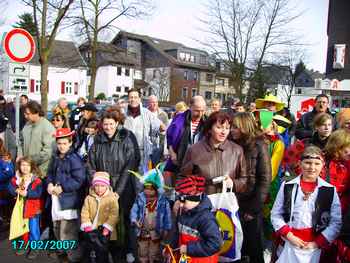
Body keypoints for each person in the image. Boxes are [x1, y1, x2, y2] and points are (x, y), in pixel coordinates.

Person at [271, 146, 341, 263]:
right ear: (300, 163)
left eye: (317, 163)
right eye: (308, 163)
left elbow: (336, 222)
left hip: (315, 247)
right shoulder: (288, 186)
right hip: (289, 243)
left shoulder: (329, 190)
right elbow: (275, 214)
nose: (312, 167)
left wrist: (317, 243)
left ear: (323, 165)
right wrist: (289, 235)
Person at [88, 110, 140, 263]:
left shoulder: (126, 139)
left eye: (111, 124)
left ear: (117, 123)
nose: (108, 127)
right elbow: (90, 165)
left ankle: (123, 252)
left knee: (122, 221)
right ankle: (102, 251)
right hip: (101, 188)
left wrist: (117, 192)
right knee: (102, 220)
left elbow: (129, 167)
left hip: (122, 188)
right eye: (105, 124)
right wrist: (98, 183)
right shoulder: (97, 141)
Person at [231, 112, 272, 263]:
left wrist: (254, 209)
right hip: (234, 202)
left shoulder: (259, 145)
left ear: (244, 127)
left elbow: (265, 179)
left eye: (235, 127)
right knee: (235, 247)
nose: (231, 130)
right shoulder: (231, 144)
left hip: (251, 205)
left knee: (253, 247)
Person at [181, 111, 248, 195]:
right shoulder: (194, 150)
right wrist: (191, 197)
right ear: (209, 129)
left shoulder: (237, 150)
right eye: (219, 127)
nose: (223, 132)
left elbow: (244, 179)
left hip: (226, 204)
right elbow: (183, 178)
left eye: (227, 128)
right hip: (201, 204)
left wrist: (234, 184)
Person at [46, 128, 86, 263]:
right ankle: (63, 256)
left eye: (64, 143)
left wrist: (62, 188)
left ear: (70, 143)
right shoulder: (56, 157)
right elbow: (50, 173)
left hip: (69, 202)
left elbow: (79, 180)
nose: (61, 146)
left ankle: (74, 258)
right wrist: (49, 183)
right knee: (57, 229)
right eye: (59, 143)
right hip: (56, 201)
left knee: (68, 233)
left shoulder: (74, 159)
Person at [169, 176, 221, 263]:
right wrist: (171, 248)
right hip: (186, 259)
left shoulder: (206, 219)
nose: (181, 205)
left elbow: (215, 244)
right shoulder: (183, 211)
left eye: (184, 201)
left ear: (196, 198)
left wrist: (188, 249)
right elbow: (177, 233)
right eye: (179, 200)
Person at [130, 167, 172, 263]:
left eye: (151, 189)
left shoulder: (162, 201)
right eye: (146, 189)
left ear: (156, 190)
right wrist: (134, 220)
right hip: (143, 231)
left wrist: (166, 229)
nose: (147, 191)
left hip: (156, 232)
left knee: (154, 252)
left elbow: (167, 216)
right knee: (142, 251)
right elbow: (134, 210)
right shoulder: (140, 198)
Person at [8, 157, 44, 259]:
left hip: (33, 209)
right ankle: (25, 244)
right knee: (23, 228)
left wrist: (27, 193)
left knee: (33, 229)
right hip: (21, 209)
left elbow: (38, 193)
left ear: (31, 167)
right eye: (23, 165)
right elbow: (10, 187)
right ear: (19, 166)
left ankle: (35, 247)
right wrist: (16, 190)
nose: (25, 167)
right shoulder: (16, 178)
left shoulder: (36, 180)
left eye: (27, 165)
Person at [81, 171, 119, 263]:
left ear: (107, 186)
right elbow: (84, 212)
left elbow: (114, 214)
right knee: (91, 249)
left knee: (103, 250)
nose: (99, 189)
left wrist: (108, 227)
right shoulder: (89, 198)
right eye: (97, 186)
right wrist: (86, 224)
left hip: (105, 231)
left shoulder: (112, 198)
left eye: (102, 186)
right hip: (91, 229)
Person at [165, 96, 207, 175]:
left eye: (202, 111)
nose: (200, 114)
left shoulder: (207, 123)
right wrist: (172, 153)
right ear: (190, 107)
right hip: (178, 163)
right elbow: (169, 137)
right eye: (197, 111)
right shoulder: (178, 119)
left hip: (198, 166)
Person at [124, 89, 162, 173]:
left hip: (141, 152)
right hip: (125, 152)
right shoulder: (123, 113)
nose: (133, 99)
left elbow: (161, 127)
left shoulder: (147, 113)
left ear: (139, 99)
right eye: (131, 97)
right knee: (125, 178)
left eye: (135, 97)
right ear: (128, 99)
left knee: (139, 181)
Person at [283, 113, 333, 178]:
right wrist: (302, 173)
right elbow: (287, 159)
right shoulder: (305, 143)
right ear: (316, 127)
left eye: (329, 125)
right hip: (307, 181)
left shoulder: (336, 144)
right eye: (323, 125)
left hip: (330, 181)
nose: (327, 128)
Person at [18, 101, 56, 178]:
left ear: (36, 112)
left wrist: (30, 161)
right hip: (26, 169)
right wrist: (20, 155)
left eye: (28, 114)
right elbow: (21, 141)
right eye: (25, 114)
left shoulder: (47, 127)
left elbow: (48, 152)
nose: (25, 116)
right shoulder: (27, 125)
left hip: (40, 171)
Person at [147, 95, 169, 166]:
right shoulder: (144, 113)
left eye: (156, 102)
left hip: (158, 144)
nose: (154, 104)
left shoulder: (163, 114)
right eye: (152, 102)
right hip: (146, 143)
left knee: (156, 165)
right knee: (145, 165)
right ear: (148, 103)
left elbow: (166, 130)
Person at [0, 139, 14, 230]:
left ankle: (7, 222)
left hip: (4, 189)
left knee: (6, 207)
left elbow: (9, 172)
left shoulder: (4, 158)